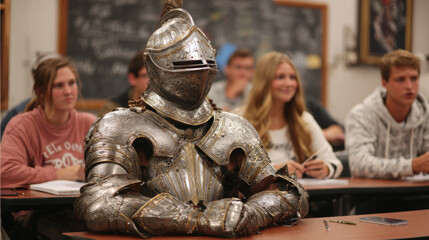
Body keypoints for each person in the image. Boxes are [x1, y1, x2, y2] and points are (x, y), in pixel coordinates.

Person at [74, 1, 308, 238]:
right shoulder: (119, 125)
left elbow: (288, 192)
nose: (200, 72)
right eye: (185, 64)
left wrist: (252, 213)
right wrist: (199, 218)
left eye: (206, 63)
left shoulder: (234, 127)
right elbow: (99, 205)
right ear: (153, 66)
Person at [0, 55, 96, 239]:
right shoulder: (22, 125)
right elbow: (5, 173)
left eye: (72, 83)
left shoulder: (89, 123)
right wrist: (61, 173)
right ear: (41, 91)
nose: (68, 91)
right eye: (58, 85)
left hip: (79, 210)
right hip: (36, 214)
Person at [241, 51, 343, 179]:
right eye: (280, 77)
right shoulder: (240, 120)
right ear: (264, 82)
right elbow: (233, 172)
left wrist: (326, 169)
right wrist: (273, 170)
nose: (289, 83)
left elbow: (335, 163)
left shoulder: (304, 119)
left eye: (292, 77)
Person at [345, 49, 429, 179]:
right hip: (372, 196)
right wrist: (411, 166)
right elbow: (359, 164)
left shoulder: (425, 113)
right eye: (400, 80)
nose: (409, 86)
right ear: (385, 83)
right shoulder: (362, 115)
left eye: (414, 78)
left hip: (417, 194)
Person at [98, 50, 149, 116]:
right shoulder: (112, 109)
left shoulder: (161, 107)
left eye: (155, 75)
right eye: (146, 76)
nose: (152, 80)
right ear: (132, 79)